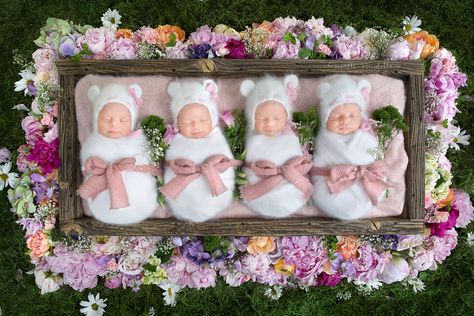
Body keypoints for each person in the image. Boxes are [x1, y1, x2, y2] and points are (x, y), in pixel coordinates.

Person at [160, 79, 241, 222]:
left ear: (212, 119)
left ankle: (216, 202)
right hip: (183, 193)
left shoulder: (216, 137)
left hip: (216, 188)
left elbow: (225, 162)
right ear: (178, 124)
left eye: (202, 121)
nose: (196, 126)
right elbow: (171, 164)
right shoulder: (177, 140)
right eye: (188, 122)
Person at [79, 83, 160, 225]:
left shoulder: (138, 140)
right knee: (102, 198)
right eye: (106, 119)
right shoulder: (94, 142)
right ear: (96, 120)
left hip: (140, 193)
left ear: (132, 121)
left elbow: (149, 162)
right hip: (103, 194)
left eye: (122, 120)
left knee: (143, 193)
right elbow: (87, 164)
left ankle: (140, 204)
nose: (114, 124)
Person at [311, 75, 387, 220]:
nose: (345, 120)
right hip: (332, 184)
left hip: (366, 182)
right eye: (336, 116)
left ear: (361, 116)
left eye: (352, 116)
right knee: (322, 192)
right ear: (326, 120)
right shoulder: (324, 140)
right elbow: (317, 167)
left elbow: (377, 161)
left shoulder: (367, 138)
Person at [240, 75, 313, 217]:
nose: (270, 123)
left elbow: (299, 159)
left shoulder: (291, 137)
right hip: (260, 188)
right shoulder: (253, 139)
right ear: (252, 119)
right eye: (262, 119)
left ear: (286, 118)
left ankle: (291, 196)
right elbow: (249, 162)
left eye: (277, 118)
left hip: (292, 184)